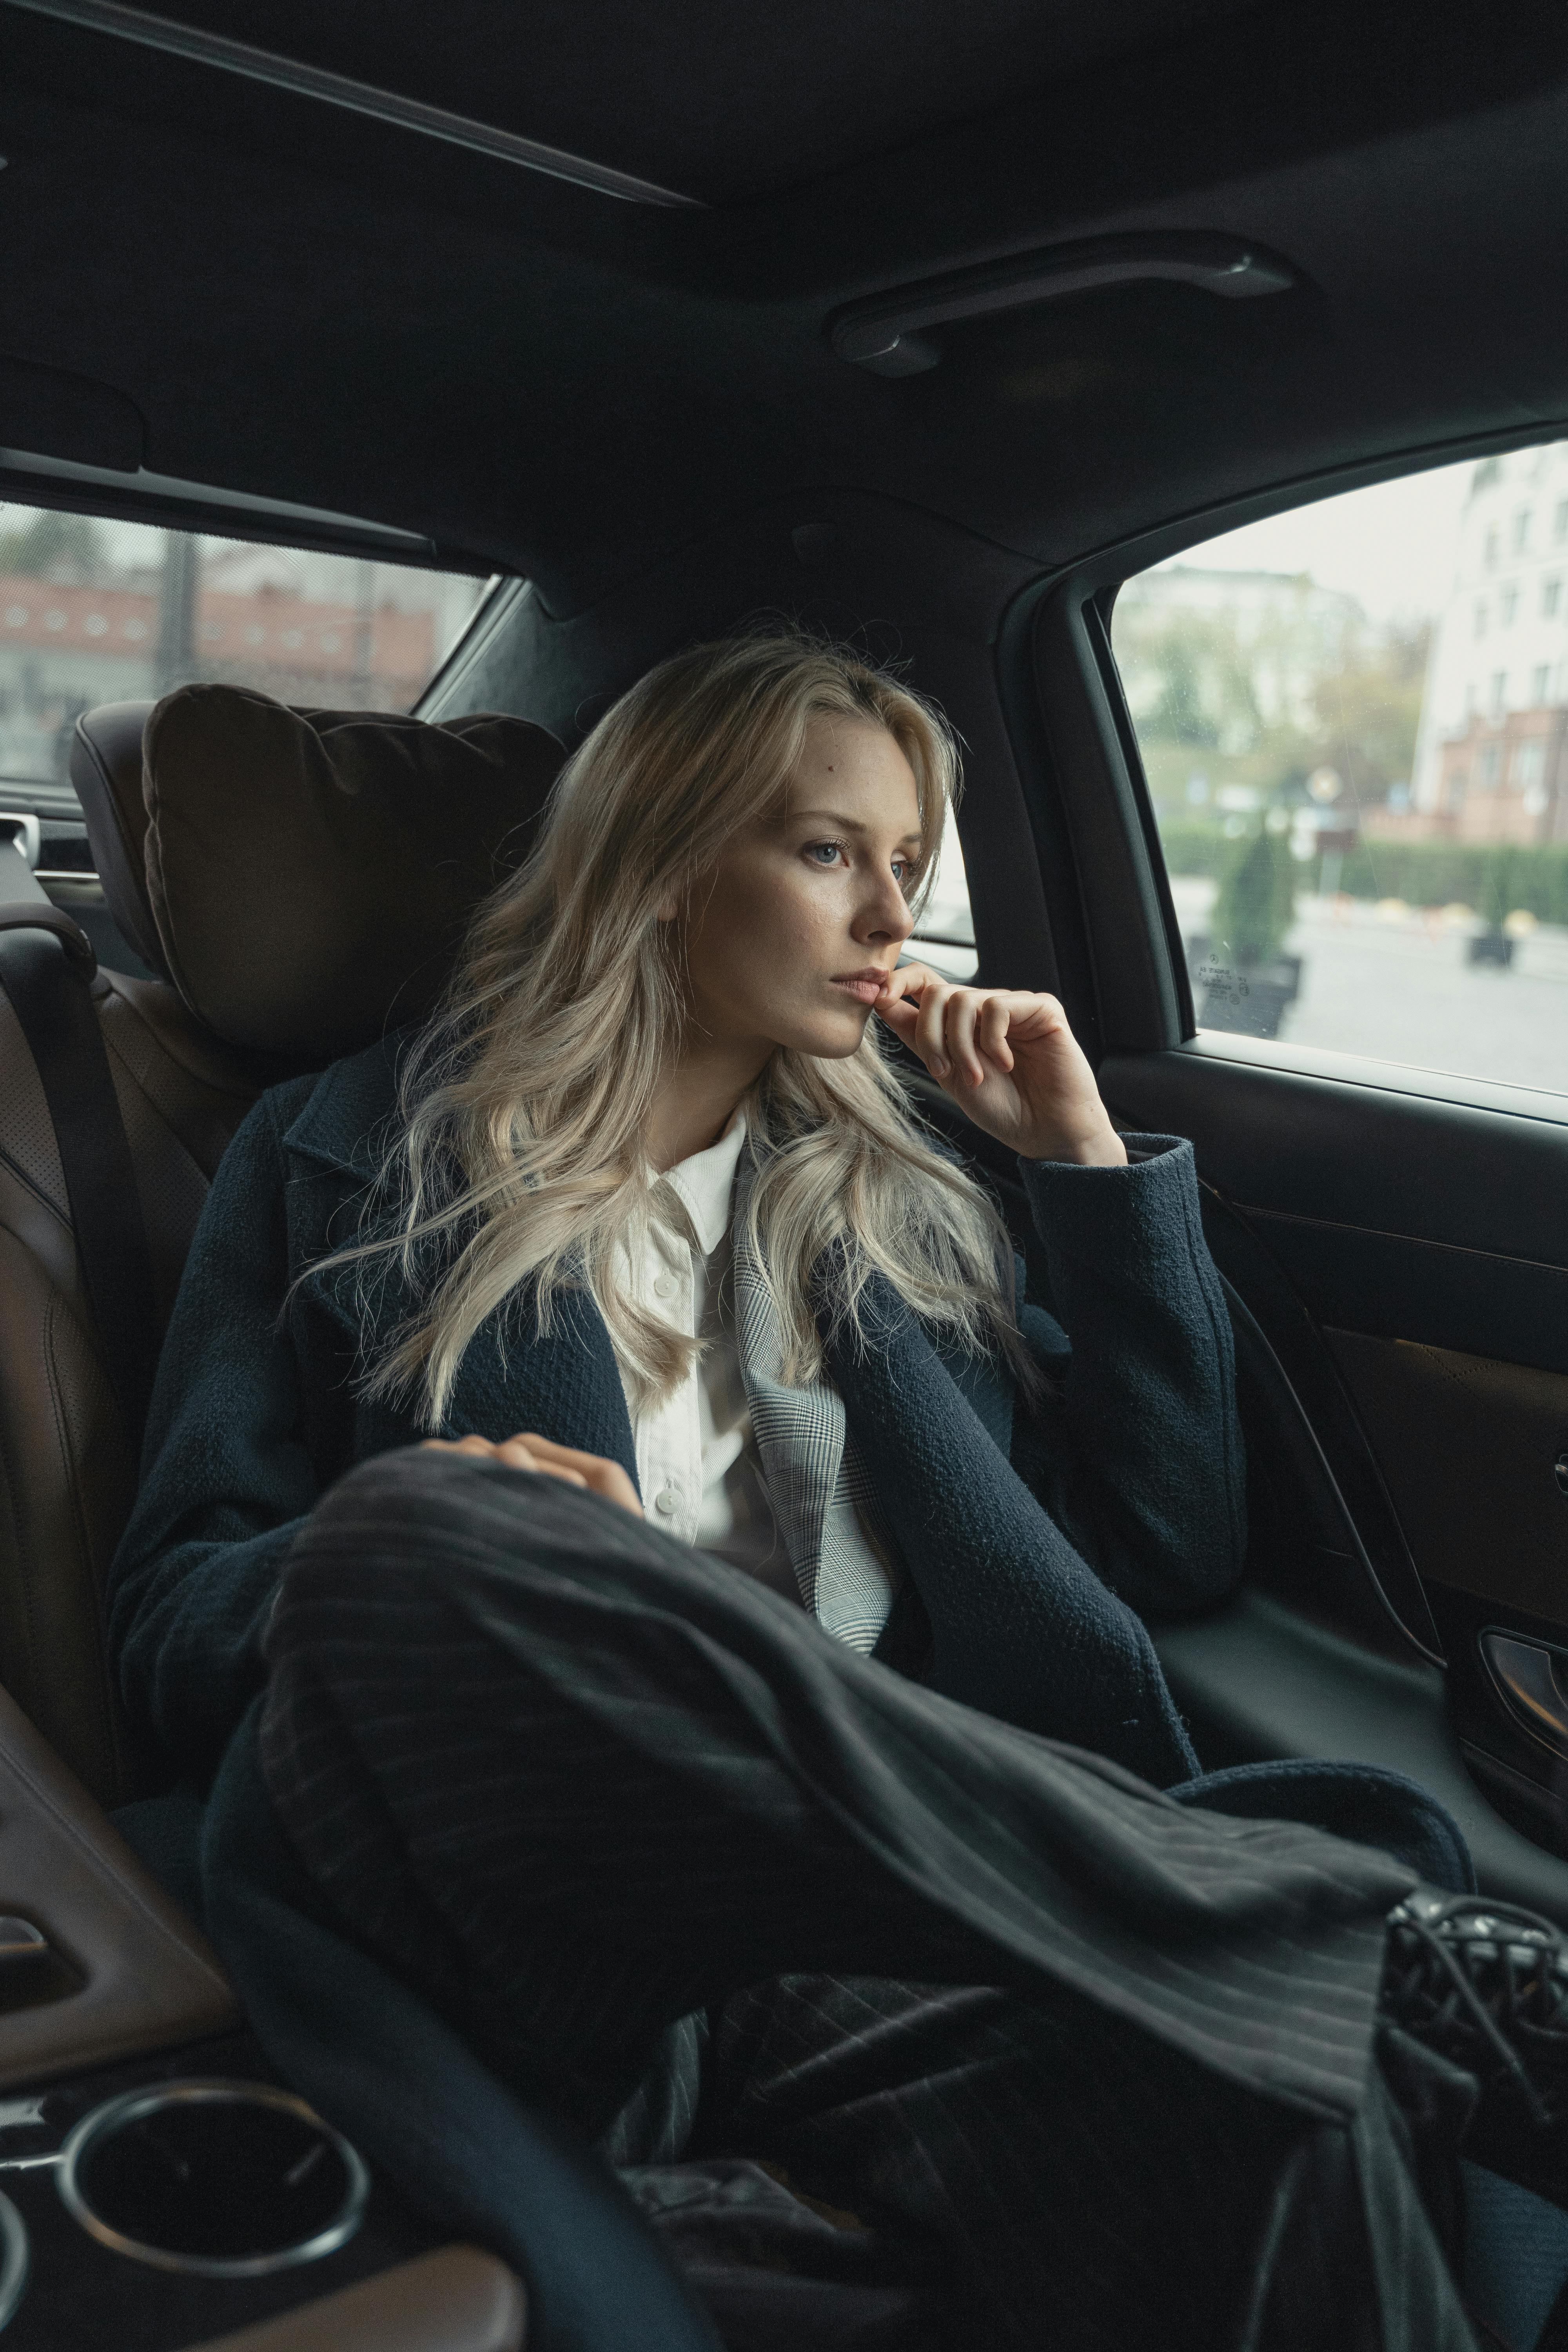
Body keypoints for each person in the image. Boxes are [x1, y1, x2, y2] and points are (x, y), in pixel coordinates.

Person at [109, 633, 1543, 2350]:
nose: (893, 921)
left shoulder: (900, 1198)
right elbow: (174, 1613)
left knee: (1284, 2114)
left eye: (909, 866)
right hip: (534, 1884)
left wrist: (1079, 1170)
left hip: (872, 1921)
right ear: (652, 862)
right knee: (430, 1530)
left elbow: (1164, 1542)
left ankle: (1327, 1978)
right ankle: (1370, 1951)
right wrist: (462, 1515)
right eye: (824, 852)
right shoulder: (337, 1153)